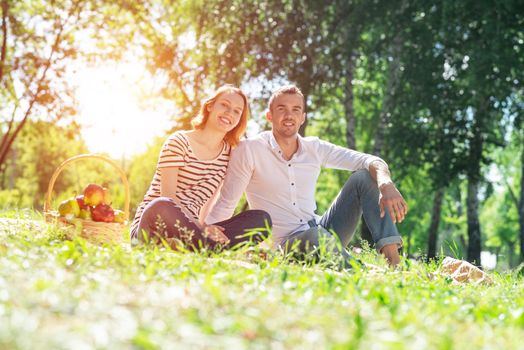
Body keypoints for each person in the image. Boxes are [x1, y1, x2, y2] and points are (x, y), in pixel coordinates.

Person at [206, 85, 407, 266]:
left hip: (323, 228)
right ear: (269, 116)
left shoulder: (314, 148)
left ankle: (394, 264)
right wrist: (207, 238)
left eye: (296, 110)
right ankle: (360, 270)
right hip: (289, 245)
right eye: (281, 109)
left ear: (303, 117)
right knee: (314, 236)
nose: (289, 115)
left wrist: (386, 184)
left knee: (363, 178)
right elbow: (226, 202)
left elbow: (370, 160)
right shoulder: (249, 150)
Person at [130, 85, 271, 250]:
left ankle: (200, 247)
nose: (229, 113)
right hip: (155, 225)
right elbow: (168, 196)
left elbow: (208, 203)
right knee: (161, 205)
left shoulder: (228, 155)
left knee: (261, 219)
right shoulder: (179, 141)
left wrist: (207, 228)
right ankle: (206, 248)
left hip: (192, 231)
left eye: (236, 111)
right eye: (224, 105)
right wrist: (202, 228)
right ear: (210, 106)